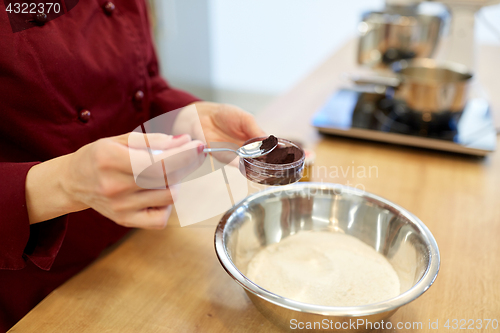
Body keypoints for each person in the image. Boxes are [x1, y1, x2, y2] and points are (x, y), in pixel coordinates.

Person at [0, 1, 265, 331]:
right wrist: (65, 182)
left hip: (136, 249)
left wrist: (188, 118)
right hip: (34, 294)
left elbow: (140, 85)